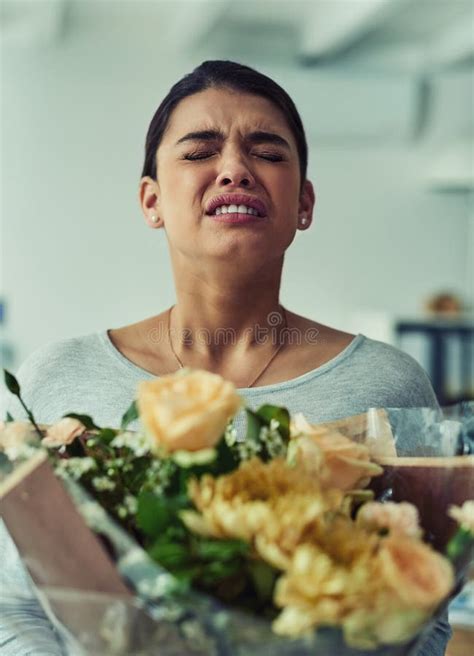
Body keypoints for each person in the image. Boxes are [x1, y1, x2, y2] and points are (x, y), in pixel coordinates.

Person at [1, 60, 450, 655]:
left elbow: (426, 612)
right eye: (198, 152)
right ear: (151, 200)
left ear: (305, 203)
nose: (235, 169)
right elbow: (15, 605)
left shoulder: (387, 384)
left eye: (267, 151)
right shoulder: (54, 381)